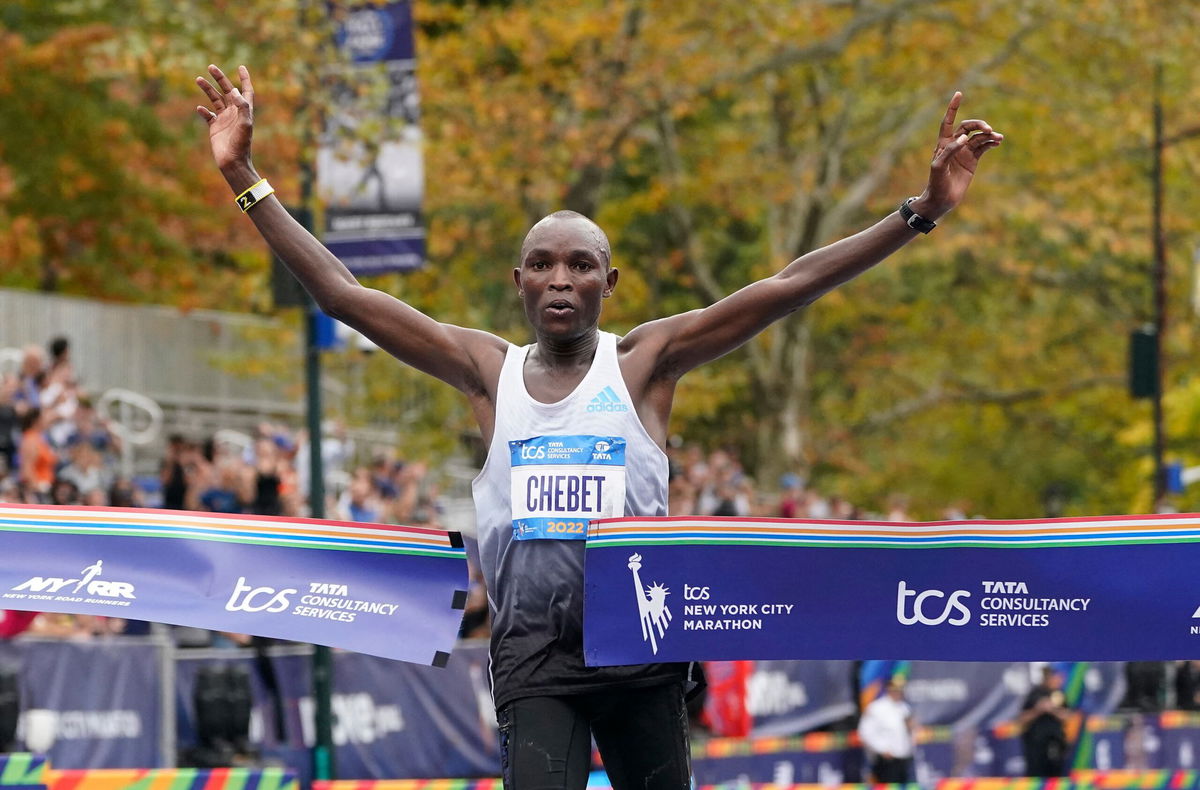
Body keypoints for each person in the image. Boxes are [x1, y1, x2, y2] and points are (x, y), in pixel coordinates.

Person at [195, 63, 1002, 790]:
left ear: (608, 283)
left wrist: (921, 211)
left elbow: (787, 286)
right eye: (542, 263)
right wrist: (244, 176)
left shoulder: (647, 363)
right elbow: (343, 295)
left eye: (581, 265)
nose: (560, 278)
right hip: (536, 661)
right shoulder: (488, 371)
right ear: (518, 282)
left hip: (640, 651)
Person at [858, 676, 916, 783]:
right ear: (888, 689)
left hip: (903, 758)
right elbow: (865, 732)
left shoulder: (905, 707)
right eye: (895, 689)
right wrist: (882, 749)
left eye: (900, 689)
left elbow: (908, 732)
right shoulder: (877, 707)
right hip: (886, 760)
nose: (898, 692)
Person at [1018, 665, 1071, 777]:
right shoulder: (1035, 693)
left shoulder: (1059, 694)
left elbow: (1067, 716)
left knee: (1056, 775)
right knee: (1036, 775)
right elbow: (1022, 718)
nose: (1058, 680)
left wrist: (1052, 709)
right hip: (1036, 743)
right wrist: (1038, 709)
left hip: (1055, 742)